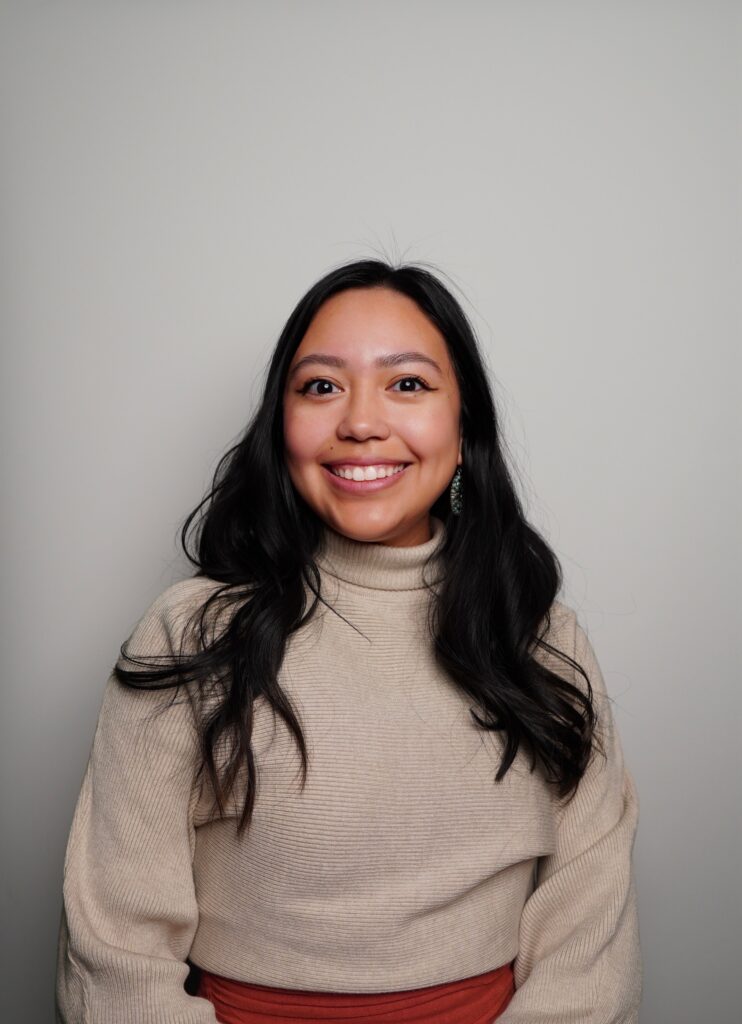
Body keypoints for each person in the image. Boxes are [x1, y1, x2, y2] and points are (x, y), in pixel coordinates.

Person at [55, 258, 642, 1023]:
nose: (361, 421)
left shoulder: (540, 636)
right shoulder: (191, 632)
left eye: (408, 383)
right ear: (282, 424)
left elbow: (588, 937)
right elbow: (115, 951)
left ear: (464, 427)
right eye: (322, 386)